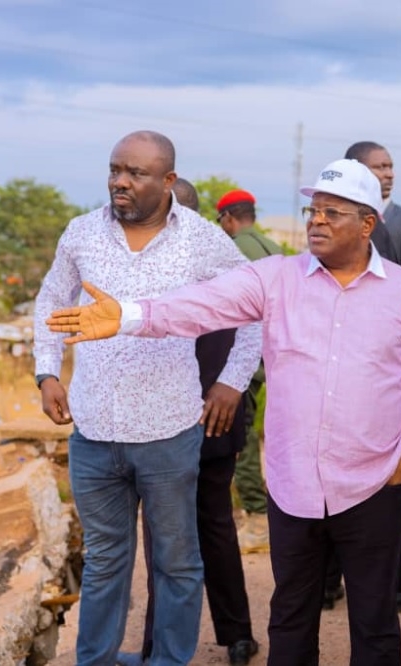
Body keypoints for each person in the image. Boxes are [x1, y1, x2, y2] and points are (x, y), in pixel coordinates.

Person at [46, 157, 401, 666]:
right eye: (313, 210)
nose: (317, 220)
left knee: (373, 620)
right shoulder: (276, 278)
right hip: (294, 485)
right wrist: (129, 316)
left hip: (374, 482)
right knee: (290, 615)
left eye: (333, 212)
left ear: (368, 223)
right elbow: (199, 305)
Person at [32, 131, 261, 666]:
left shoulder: (201, 240)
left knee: (178, 564)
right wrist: (47, 374)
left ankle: (168, 661)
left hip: (168, 434)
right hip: (93, 434)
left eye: (135, 173)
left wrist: (231, 380)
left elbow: (256, 307)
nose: (120, 182)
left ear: (168, 181)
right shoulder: (82, 233)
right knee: (105, 562)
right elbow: (50, 300)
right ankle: (96, 661)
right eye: (115, 169)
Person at [127, 177, 260, 666]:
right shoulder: (162, 259)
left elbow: (254, 318)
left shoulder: (210, 258)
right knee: (183, 531)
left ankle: (221, 636)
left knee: (197, 530)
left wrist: (231, 385)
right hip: (174, 420)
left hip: (205, 416)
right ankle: (179, 642)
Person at [214, 188, 283, 555]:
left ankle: (257, 515)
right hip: (278, 358)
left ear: (227, 218)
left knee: (241, 439)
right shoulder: (275, 249)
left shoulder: (232, 250)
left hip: (247, 363)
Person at [345, 141, 401, 265]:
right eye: (380, 167)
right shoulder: (337, 216)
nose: (390, 174)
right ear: (356, 171)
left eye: (390, 167)